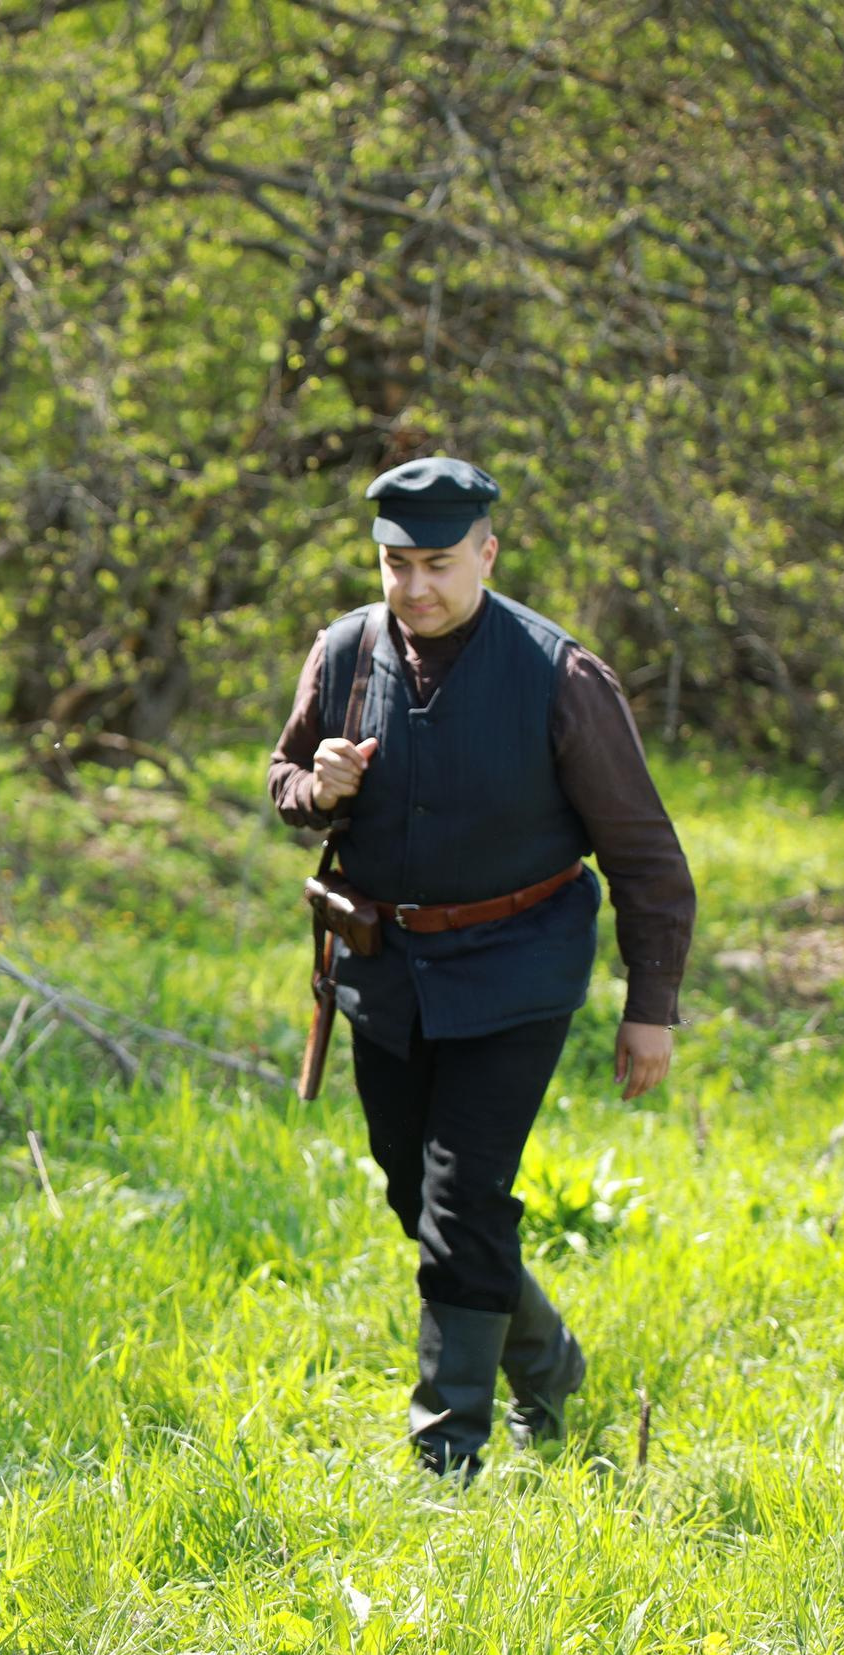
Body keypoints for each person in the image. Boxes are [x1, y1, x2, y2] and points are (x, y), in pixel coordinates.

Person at [266, 457, 696, 1476]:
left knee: (461, 1204)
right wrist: (315, 790)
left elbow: (644, 855)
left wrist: (652, 1006)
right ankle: (548, 1366)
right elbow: (283, 781)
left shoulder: (559, 675)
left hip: (517, 969)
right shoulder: (340, 653)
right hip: (383, 972)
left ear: (486, 555)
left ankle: (444, 1456)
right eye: (394, 563)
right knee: (411, 1193)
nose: (414, 587)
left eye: (438, 564)